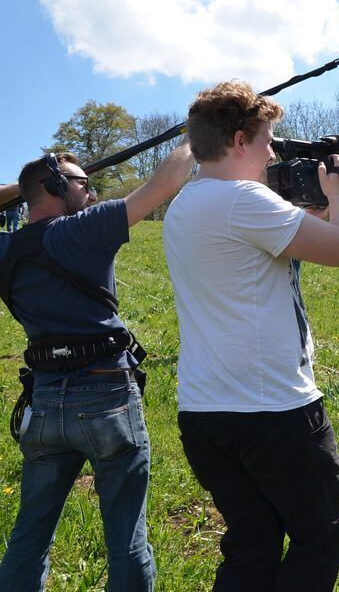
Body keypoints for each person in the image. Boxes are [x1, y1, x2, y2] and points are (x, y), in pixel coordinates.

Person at [163, 81, 339, 590]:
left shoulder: (187, 203)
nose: (273, 150)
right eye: (267, 139)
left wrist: (310, 210)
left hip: (206, 410)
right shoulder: (244, 199)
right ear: (239, 141)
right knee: (323, 533)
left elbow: (265, 248)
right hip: (272, 410)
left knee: (253, 542)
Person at [0, 141, 194, 590]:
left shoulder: (6, 251)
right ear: (54, 186)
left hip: (44, 404)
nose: (92, 193)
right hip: (107, 396)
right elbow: (165, 182)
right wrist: (195, 133)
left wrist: (27, 189)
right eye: (83, 184)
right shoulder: (82, 229)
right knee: (126, 540)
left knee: (29, 539)